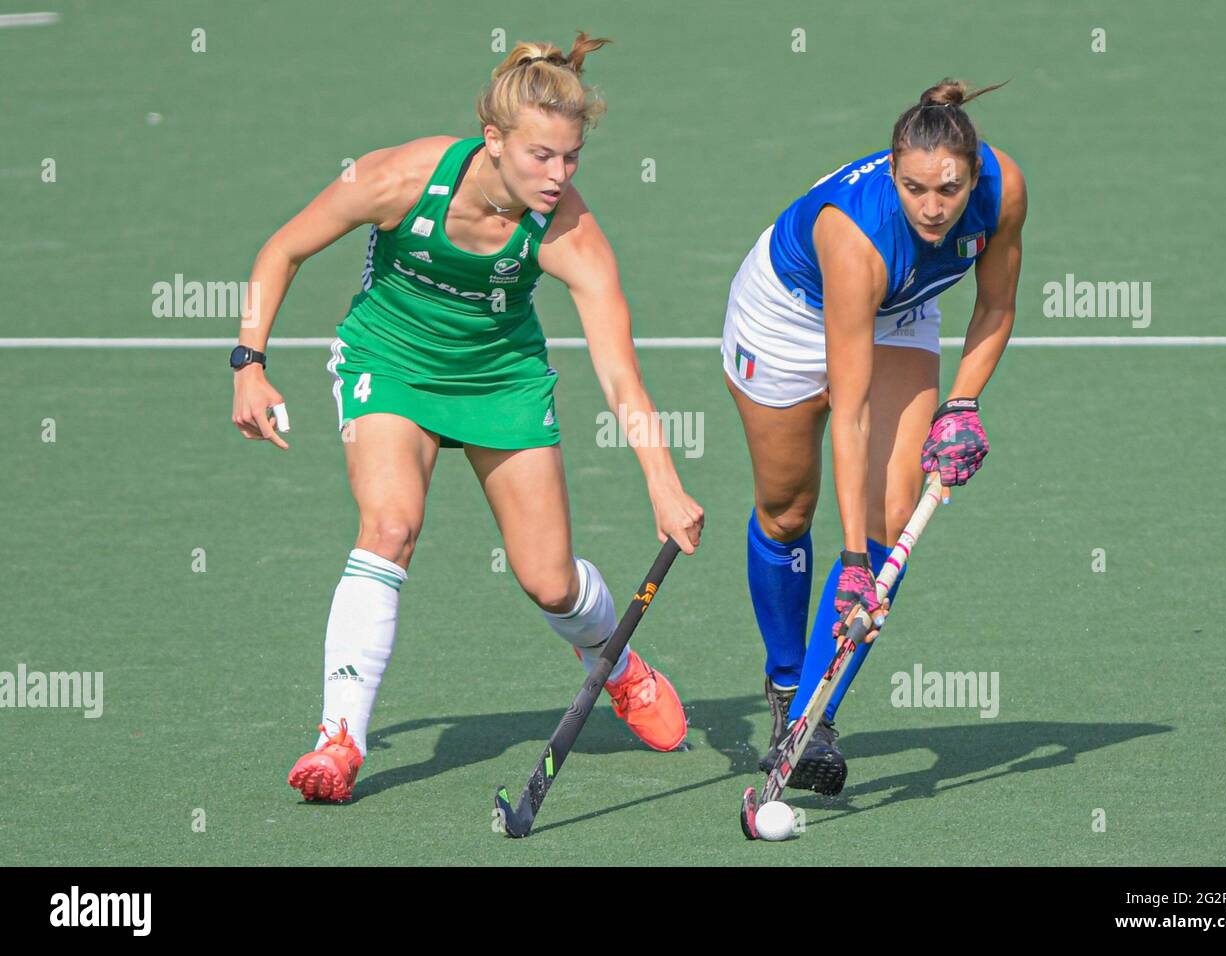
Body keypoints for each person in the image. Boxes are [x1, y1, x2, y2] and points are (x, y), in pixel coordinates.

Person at [230, 32, 704, 802]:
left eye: (572, 158)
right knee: (388, 526)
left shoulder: (569, 231)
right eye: (541, 157)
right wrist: (248, 362)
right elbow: (282, 249)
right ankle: (338, 740)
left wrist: (662, 481)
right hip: (391, 364)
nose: (558, 176)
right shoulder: (398, 177)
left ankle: (615, 665)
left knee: (550, 584)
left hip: (500, 379)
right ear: (494, 140)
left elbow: (621, 375)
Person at [721, 78, 1026, 794]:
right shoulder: (855, 232)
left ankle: (809, 718)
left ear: (973, 175)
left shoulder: (1003, 191)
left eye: (948, 190)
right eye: (915, 188)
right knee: (786, 509)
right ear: (892, 176)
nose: (932, 206)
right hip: (789, 313)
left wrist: (962, 404)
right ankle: (786, 676)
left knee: (895, 514)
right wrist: (851, 558)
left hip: (902, 307)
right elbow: (849, 411)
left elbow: (997, 302)